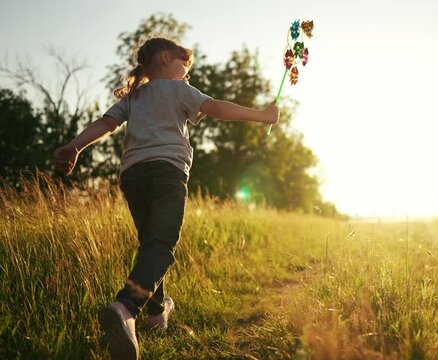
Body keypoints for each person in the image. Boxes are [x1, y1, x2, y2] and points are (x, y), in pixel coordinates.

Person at [53, 37, 279, 360]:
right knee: (161, 244)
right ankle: (126, 306)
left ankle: (156, 313)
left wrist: (75, 146)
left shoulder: (134, 97)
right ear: (165, 57)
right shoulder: (180, 90)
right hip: (168, 173)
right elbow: (216, 108)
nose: (186, 74)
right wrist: (262, 116)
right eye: (184, 66)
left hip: (132, 176)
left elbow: (107, 124)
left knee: (150, 245)